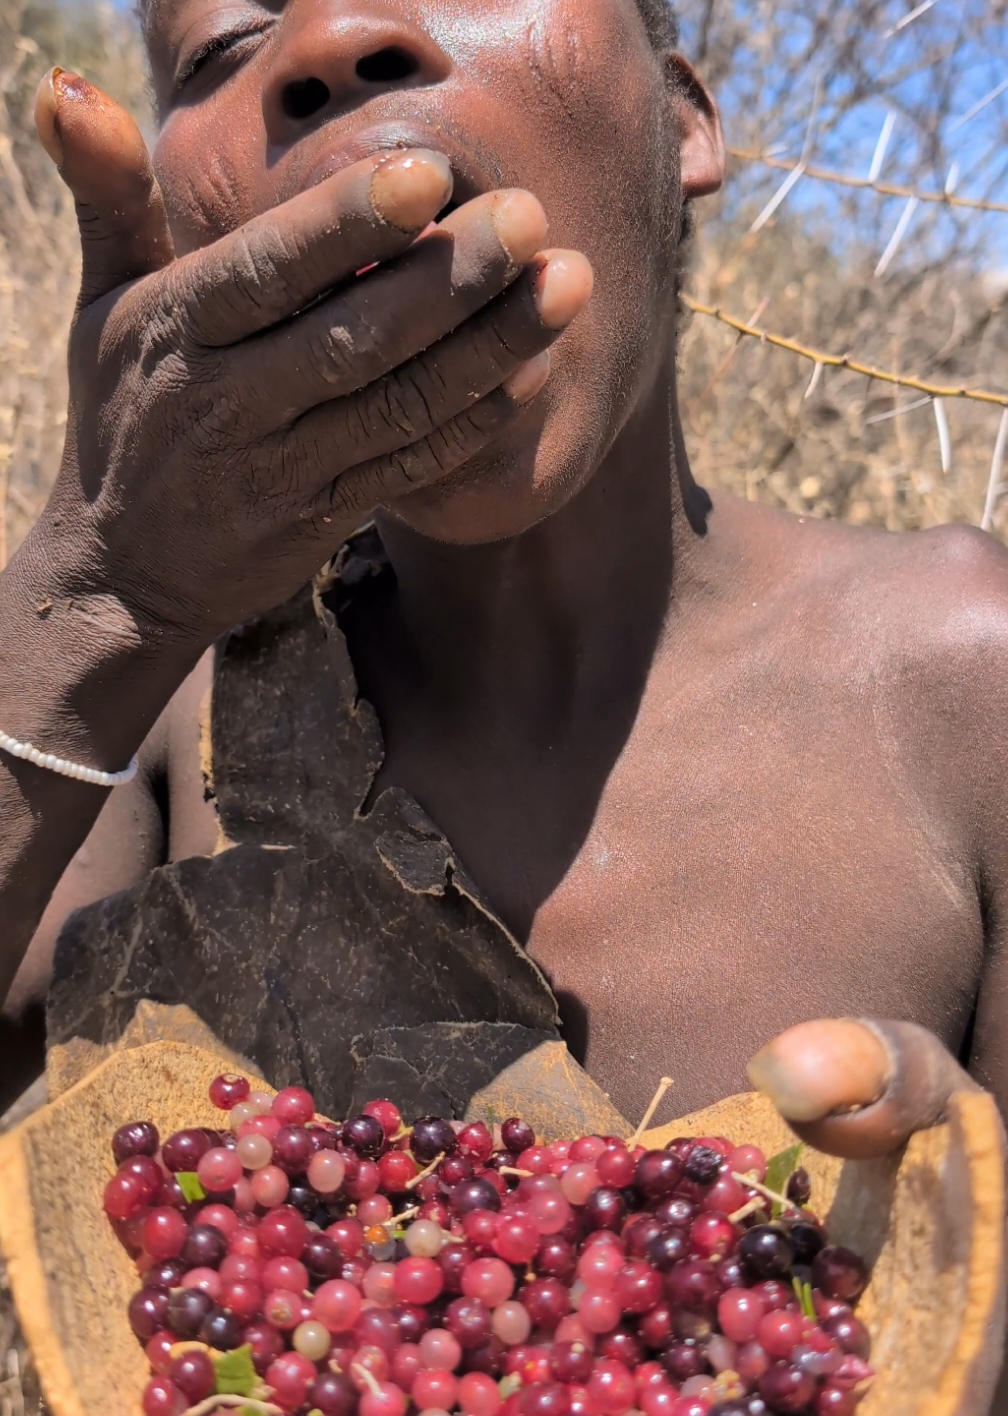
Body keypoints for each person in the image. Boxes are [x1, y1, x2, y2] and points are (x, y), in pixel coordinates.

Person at [0, 0, 1004, 1319]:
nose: (333, 37)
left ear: (683, 122)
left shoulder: (966, 685)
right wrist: (95, 594)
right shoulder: (171, 710)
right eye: (223, 48)